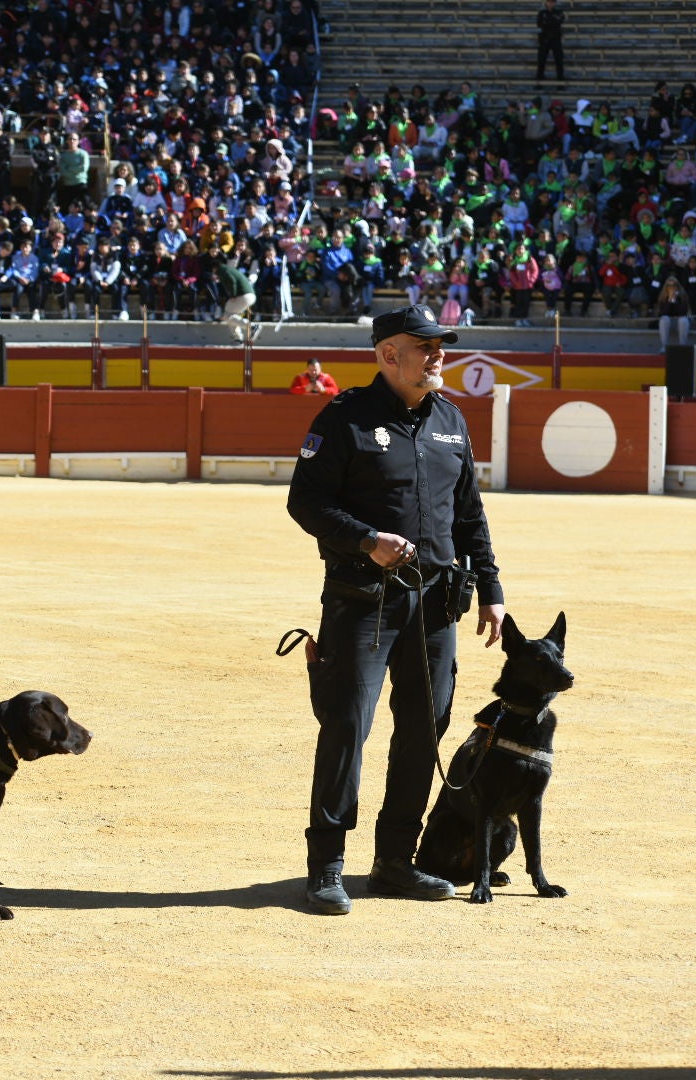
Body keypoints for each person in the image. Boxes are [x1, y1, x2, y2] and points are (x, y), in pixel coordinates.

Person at [286, 303, 505, 916]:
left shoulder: (451, 421)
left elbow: (469, 516)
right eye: (426, 346)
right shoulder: (344, 418)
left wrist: (490, 587)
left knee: (423, 731)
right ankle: (325, 867)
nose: (439, 356)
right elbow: (305, 503)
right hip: (364, 602)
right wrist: (366, 540)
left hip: (436, 605)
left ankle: (393, 863)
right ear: (388, 354)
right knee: (348, 727)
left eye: (442, 346)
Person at [536, 0, 565, 82]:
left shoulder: (559, 12)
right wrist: (552, 22)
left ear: (555, 3)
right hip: (544, 40)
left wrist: (547, 23)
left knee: (559, 61)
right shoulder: (542, 13)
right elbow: (539, 23)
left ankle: (560, 82)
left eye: (552, 2)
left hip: (556, 40)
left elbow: (560, 20)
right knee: (541, 61)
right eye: (549, 2)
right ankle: (539, 81)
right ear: (546, 3)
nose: (550, 4)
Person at [658, 276, 691, 347]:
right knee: (664, 319)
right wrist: (670, 300)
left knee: (683, 320)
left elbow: (683, 312)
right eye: (669, 285)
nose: (671, 287)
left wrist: (675, 300)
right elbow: (663, 313)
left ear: (677, 286)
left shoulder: (682, 296)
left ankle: (682, 346)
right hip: (669, 322)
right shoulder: (663, 297)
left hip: (679, 321)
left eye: (673, 285)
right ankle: (664, 346)